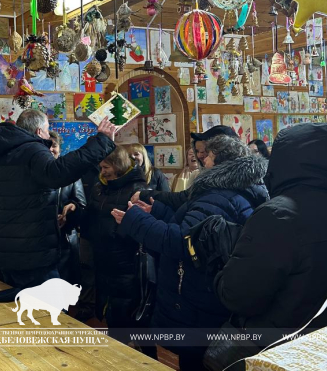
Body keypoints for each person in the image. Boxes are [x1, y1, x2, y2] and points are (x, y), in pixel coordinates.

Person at [214, 124, 327, 370]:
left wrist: (218, 268)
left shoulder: (276, 214)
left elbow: (238, 296)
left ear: (286, 160)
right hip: (318, 346)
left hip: (273, 348)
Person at [112, 136, 269, 370]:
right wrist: (157, 211)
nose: (202, 162)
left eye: (206, 157)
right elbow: (197, 231)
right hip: (212, 292)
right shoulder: (238, 188)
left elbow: (183, 243)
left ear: (218, 161)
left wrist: (136, 220)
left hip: (199, 295)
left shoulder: (217, 195)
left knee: (196, 361)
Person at [0, 109, 116, 294]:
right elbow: (59, 173)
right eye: (48, 130)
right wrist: (102, 140)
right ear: (40, 131)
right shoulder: (33, 149)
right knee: (52, 311)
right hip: (33, 252)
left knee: (19, 312)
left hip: (4, 253)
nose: (49, 136)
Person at [85, 146, 148, 336]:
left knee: (129, 315)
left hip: (126, 261)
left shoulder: (137, 189)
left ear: (118, 165)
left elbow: (142, 227)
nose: (102, 171)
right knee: (111, 313)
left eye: (106, 167)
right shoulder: (100, 187)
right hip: (103, 258)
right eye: (101, 167)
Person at [49, 131, 87, 285]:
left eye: (54, 146)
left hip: (65, 240)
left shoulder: (71, 173)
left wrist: (71, 210)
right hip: (41, 241)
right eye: (47, 146)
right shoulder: (34, 172)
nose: (51, 149)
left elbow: (82, 205)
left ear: (60, 148)